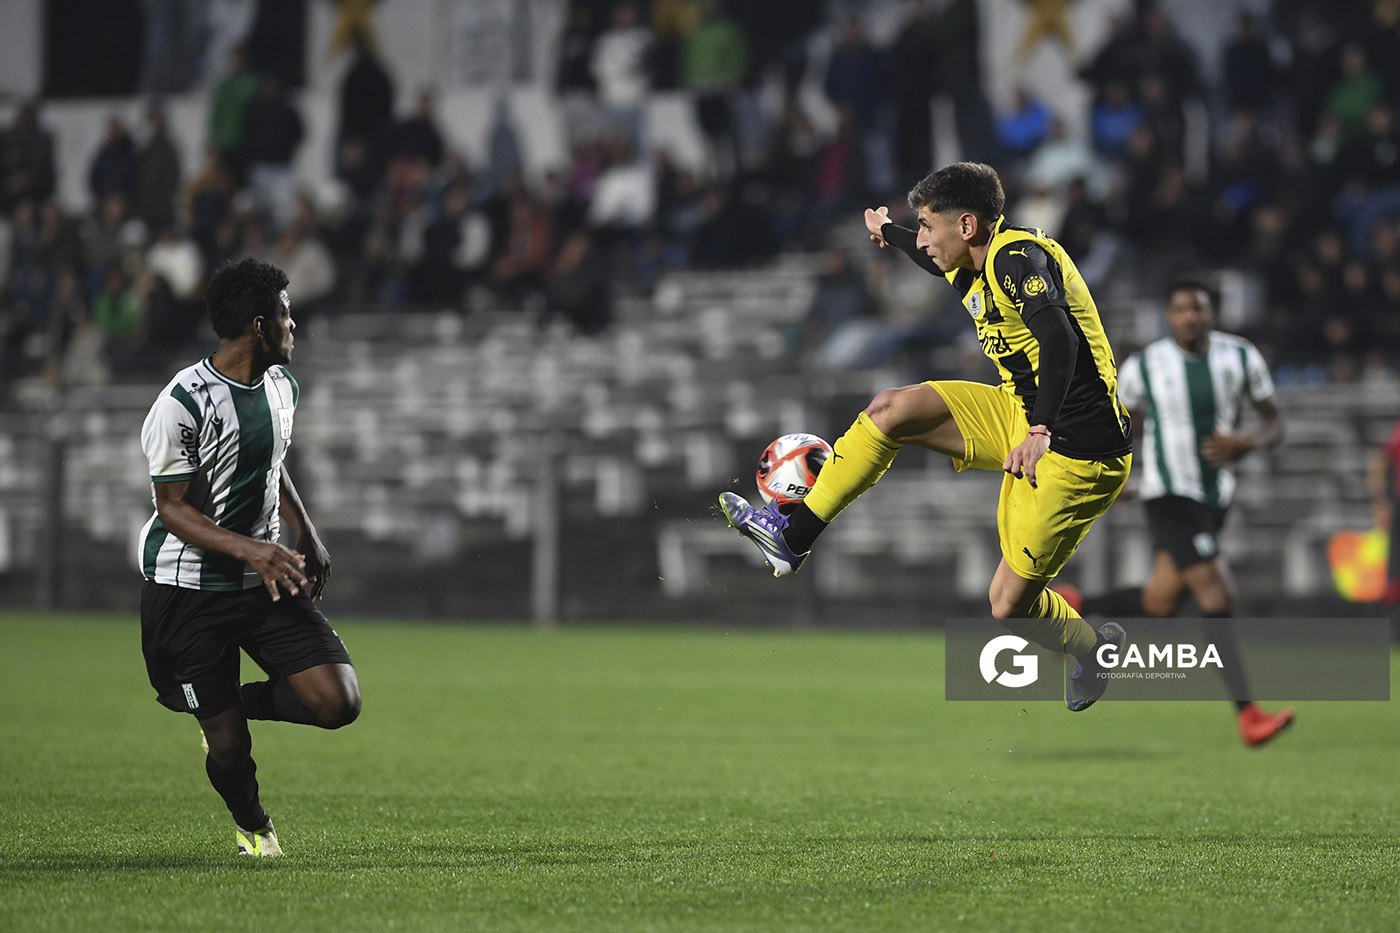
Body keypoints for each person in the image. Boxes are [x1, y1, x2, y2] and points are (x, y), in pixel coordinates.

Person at [718, 162, 1133, 711]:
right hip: (1019, 410)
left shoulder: (1016, 258)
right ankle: (793, 535)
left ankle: (1090, 652)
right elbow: (925, 255)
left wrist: (1040, 429)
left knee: (1006, 605)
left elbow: (1060, 341)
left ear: (966, 227)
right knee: (892, 409)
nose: (923, 239)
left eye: (928, 226)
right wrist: (886, 231)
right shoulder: (971, 257)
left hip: (1079, 447)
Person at [137, 257, 360, 856]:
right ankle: (255, 829)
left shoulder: (283, 386)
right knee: (230, 748)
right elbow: (172, 508)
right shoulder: (182, 402)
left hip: (261, 578)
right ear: (260, 326)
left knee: (339, 701)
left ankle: (231, 704)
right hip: (187, 591)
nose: (296, 326)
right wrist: (256, 550)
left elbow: (268, 460)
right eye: (288, 315)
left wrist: (303, 528)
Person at [1065, 282, 1293, 747]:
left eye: (1199, 308)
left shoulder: (1241, 357)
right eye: (1181, 308)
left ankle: (1075, 606)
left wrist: (1248, 442)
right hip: (1167, 493)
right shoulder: (1146, 366)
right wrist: (1115, 475)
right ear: (1168, 316)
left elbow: (1275, 420)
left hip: (1215, 498)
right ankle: (1248, 715)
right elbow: (1118, 422)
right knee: (1216, 594)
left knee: (1160, 603)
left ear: (1213, 313)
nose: (1190, 316)